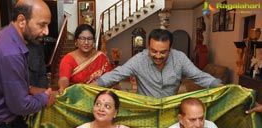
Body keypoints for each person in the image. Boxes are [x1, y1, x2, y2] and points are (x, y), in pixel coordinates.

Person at [91, 29, 222, 98]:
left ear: (170, 49)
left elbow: (199, 76)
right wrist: (91, 86)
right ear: (148, 46)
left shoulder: (180, 58)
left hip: (170, 110)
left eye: (163, 52)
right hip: (146, 110)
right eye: (153, 51)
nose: (158, 56)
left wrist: (224, 87)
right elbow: (116, 74)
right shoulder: (139, 59)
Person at [58, 24, 113, 94]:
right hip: (76, 98)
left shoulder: (101, 57)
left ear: (93, 41)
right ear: (76, 41)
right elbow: (64, 78)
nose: (86, 42)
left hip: (99, 99)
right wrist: (62, 88)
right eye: (82, 39)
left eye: (89, 39)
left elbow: (110, 79)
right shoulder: (68, 59)